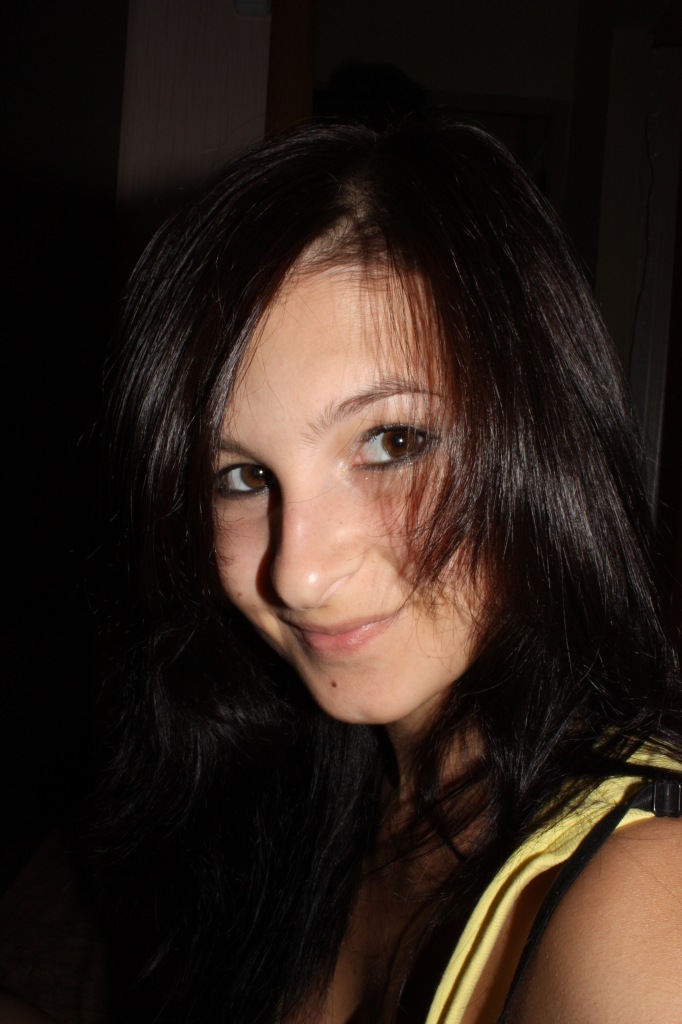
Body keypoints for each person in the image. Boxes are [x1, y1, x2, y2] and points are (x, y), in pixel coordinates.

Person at [98, 120, 682, 1023]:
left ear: (542, 436)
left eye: (393, 442)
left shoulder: (644, 896)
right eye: (241, 478)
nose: (299, 576)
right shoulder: (312, 775)